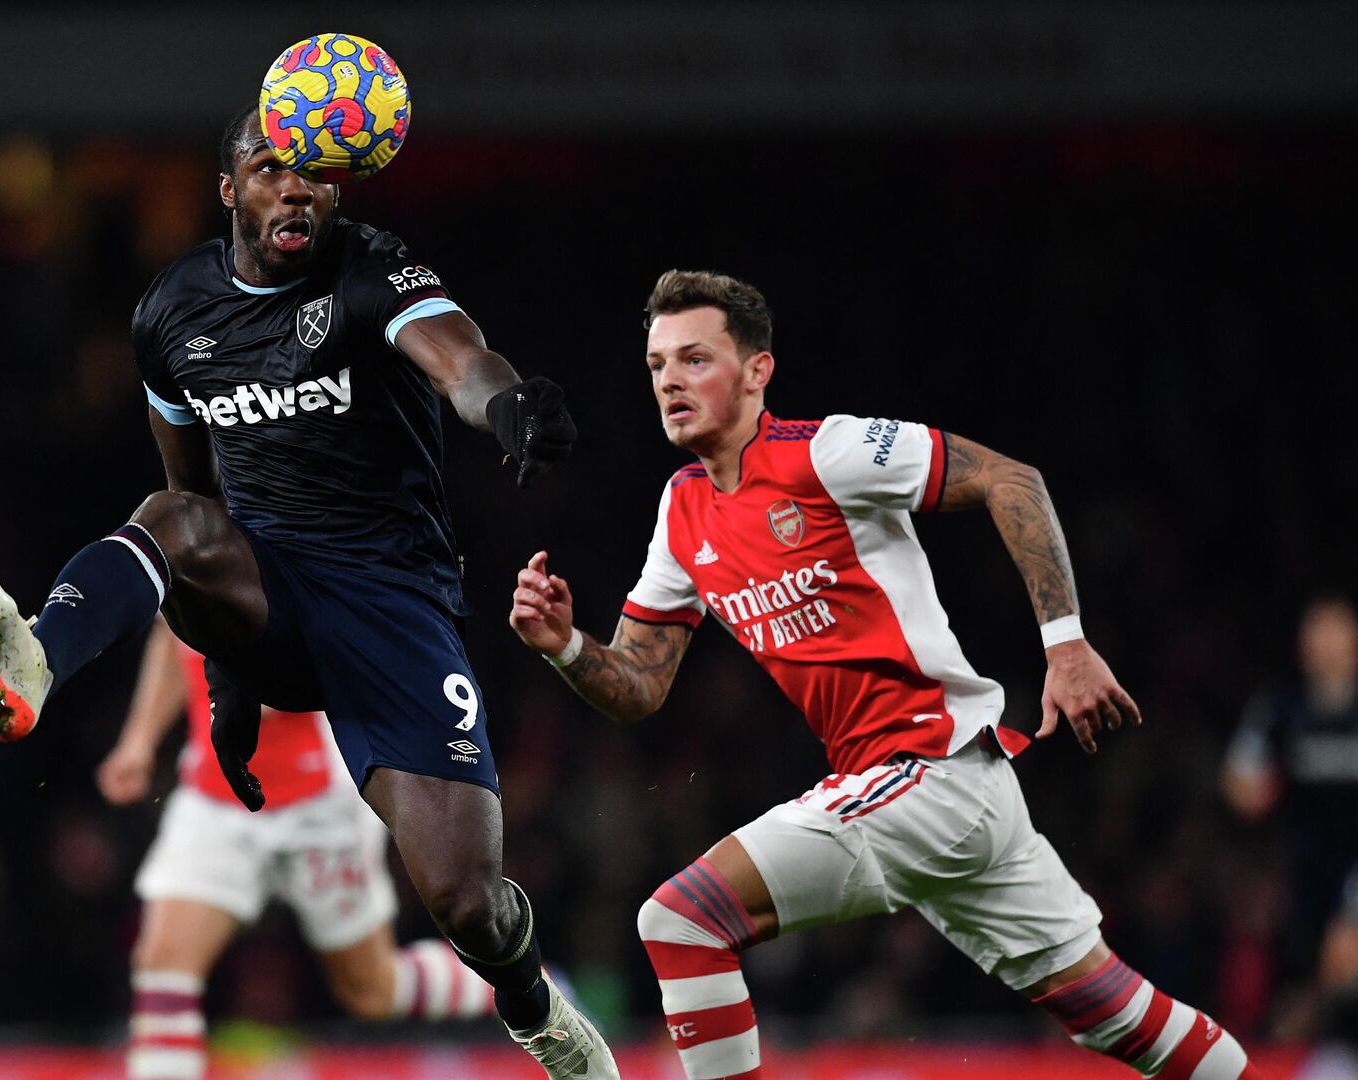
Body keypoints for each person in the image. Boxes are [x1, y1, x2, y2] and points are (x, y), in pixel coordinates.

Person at [0, 107, 616, 1078]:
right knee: (167, 518)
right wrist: (231, 677)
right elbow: (194, 497)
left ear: (337, 191)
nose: (293, 186)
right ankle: (37, 656)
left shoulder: (370, 269)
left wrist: (503, 403)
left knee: (467, 900)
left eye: (312, 174)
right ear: (230, 191)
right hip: (271, 599)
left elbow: (458, 358)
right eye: (268, 170)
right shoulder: (171, 316)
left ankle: (535, 1010)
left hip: (392, 611)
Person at [508, 270, 1263, 1080]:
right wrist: (566, 646)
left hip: (929, 769)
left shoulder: (827, 452)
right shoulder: (683, 507)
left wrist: (1067, 646)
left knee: (682, 920)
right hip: (947, 791)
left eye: (695, 359)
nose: (670, 381)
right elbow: (641, 683)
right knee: (1110, 1011)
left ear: (758, 371)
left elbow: (1011, 479)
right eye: (658, 365)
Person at [97, 618, 493, 1078]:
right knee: (163, 966)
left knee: (373, 992)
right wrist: (139, 741)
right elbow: (173, 636)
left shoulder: (291, 547)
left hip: (319, 805)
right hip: (216, 798)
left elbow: (318, 662)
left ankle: (518, 981)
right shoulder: (169, 549)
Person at [1222, 596, 1358, 986]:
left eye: (1336, 632)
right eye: (1317, 633)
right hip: (1299, 865)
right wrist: (1253, 791)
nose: (1326, 644)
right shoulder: (1280, 706)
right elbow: (1238, 781)